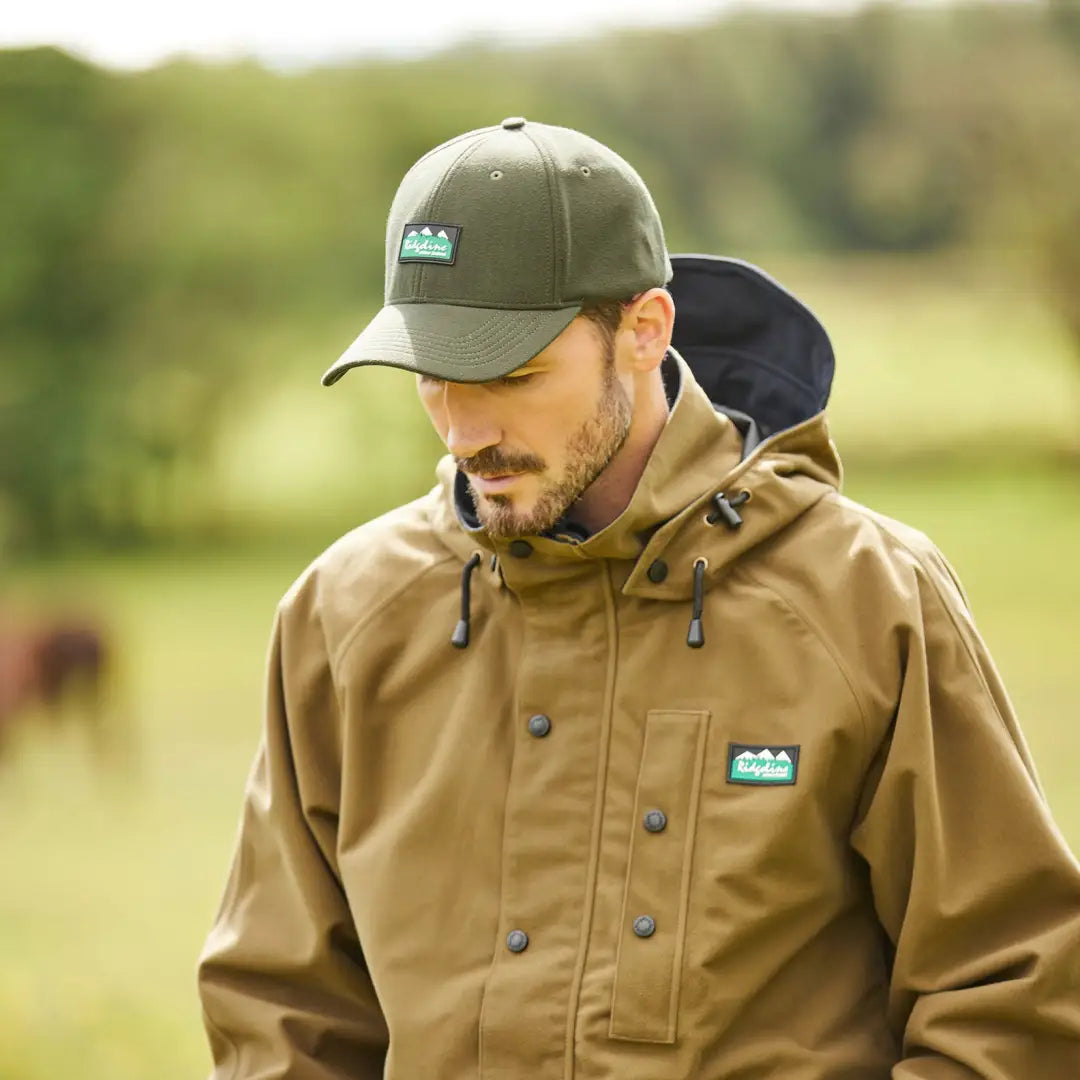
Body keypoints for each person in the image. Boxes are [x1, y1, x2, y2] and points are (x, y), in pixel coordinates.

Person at [197, 118, 1080, 1078]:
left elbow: (1010, 997)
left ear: (644, 330)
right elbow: (283, 1015)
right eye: (433, 381)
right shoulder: (342, 615)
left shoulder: (867, 599)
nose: (464, 430)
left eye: (511, 373)